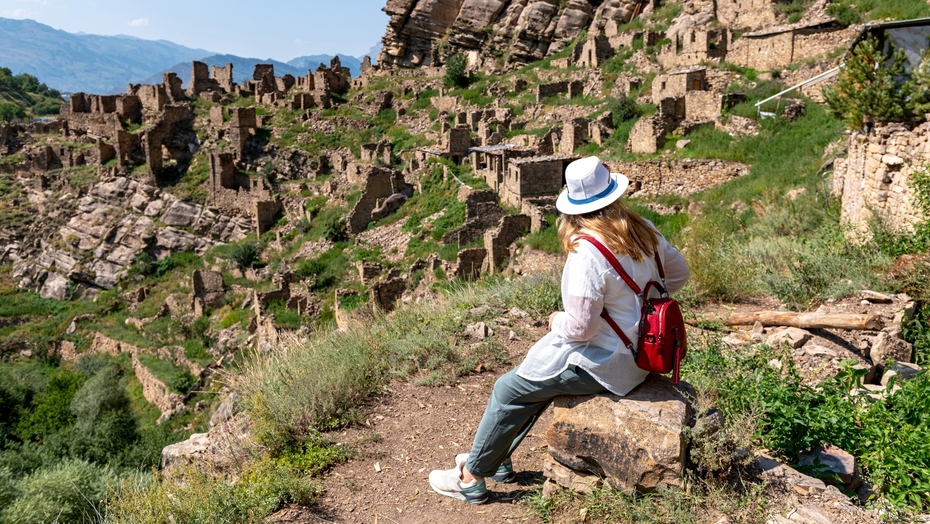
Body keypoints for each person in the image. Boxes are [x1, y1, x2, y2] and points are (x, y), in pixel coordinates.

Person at [428, 156, 691, 504]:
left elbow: (581, 328)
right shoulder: (642, 229)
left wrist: (555, 321)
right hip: (645, 353)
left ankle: (471, 477)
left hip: (610, 363)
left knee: (509, 388)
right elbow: (678, 276)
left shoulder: (588, 251)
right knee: (531, 381)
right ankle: (499, 460)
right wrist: (635, 303)